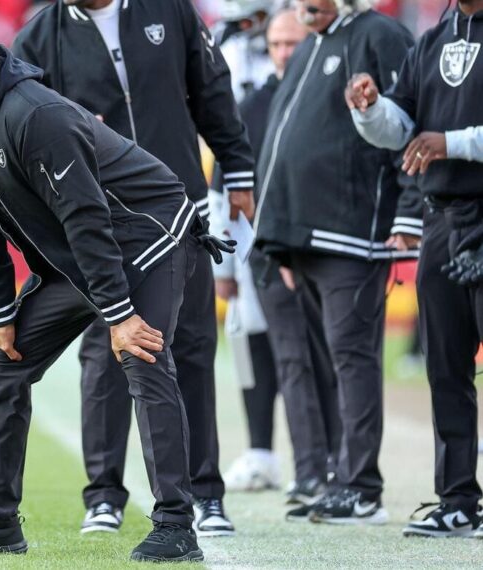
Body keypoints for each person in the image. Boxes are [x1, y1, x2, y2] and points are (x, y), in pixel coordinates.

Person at [0, 32, 233, 562]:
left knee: (142, 354)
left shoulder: (38, 116)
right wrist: (1, 316)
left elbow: (87, 219)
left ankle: (177, 525)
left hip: (145, 235)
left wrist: (120, 316)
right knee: (3, 359)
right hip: (79, 256)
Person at [12, 0, 256, 537]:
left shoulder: (169, 10)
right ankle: (104, 494)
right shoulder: (38, 35)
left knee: (190, 344)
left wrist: (237, 165)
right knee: (105, 350)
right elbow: (21, 126)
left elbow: (211, 87)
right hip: (102, 219)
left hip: (179, 208)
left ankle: (205, 494)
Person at [253, 0, 416, 525]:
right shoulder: (311, 46)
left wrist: (408, 214)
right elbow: (283, 144)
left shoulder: (379, 35)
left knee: (352, 358)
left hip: (351, 233)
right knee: (329, 363)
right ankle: (337, 478)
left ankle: (362, 488)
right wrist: (278, 237)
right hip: (305, 237)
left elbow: (410, 126)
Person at [346, 0, 483, 538]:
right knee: (444, 367)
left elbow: (434, 139)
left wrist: (450, 143)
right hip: (442, 220)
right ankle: (459, 502)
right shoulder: (432, 37)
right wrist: (369, 108)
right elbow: (399, 128)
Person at [213, 9, 342, 507]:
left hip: (327, 248)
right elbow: (223, 185)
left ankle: (341, 464)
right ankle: (310, 469)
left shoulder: (330, 93)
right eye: (276, 44)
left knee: (334, 360)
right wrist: (225, 268)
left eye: (293, 41)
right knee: (292, 361)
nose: (285, 52)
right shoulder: (253, 104)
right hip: (269, 253)